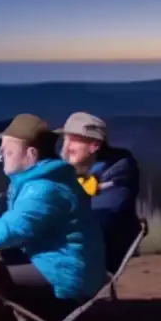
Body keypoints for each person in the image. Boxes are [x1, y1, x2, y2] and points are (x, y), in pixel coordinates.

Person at [0, 113, 106, 321]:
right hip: (60, 264)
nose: (0, 154)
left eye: (7, 150)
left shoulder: (44, 189)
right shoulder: (41, 181)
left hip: (66, 273)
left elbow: (9, 230)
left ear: (30, 153)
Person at [56, 112, 142, 273]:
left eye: (73, 140)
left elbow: (100, 218)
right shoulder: (71, 173)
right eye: (65, 139)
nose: (66, 148)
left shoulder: (117, 174)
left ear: (94, 145)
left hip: (78, 262)